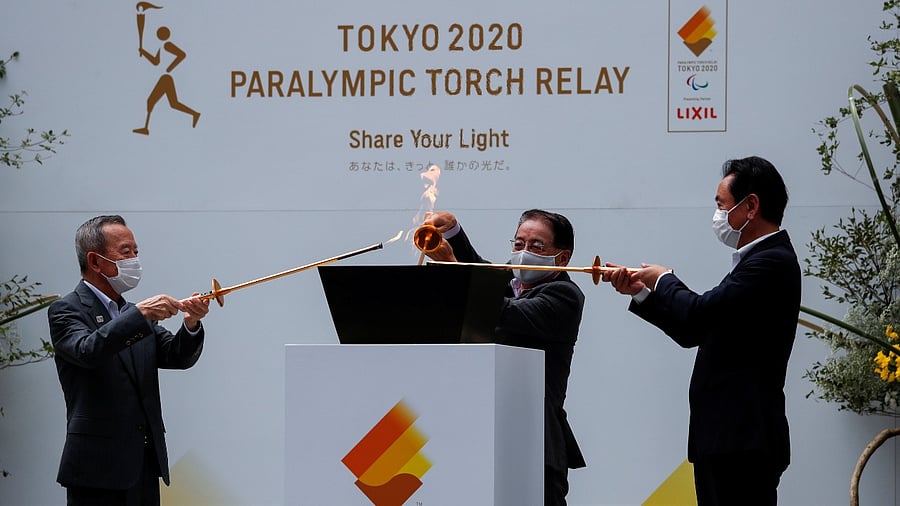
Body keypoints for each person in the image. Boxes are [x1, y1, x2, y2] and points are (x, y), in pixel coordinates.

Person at [603, 156, 800, 505]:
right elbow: (693, 332)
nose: (718, 216)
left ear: (750, 206)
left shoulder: (771, 262)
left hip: (743, 439)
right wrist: (642, 292)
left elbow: (699, 313)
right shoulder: (756, 261)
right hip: (725, 439)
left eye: (722, 205)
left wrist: (663, 278)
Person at [424, 209, 586, 506]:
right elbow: (481, 270)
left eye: (537, 247)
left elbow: (503, 312)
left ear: (562, 258)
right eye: (518, 244)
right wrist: (452, 233)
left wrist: (450, 267)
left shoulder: (564, 294)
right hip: (484, 433)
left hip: (534, 442)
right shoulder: (510, 284)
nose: (524, 253)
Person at [47, 215, 210, 506]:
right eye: (126, 252)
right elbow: (87, 351)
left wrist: (191, 323)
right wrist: (141, 315)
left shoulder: (133, 313)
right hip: (96, 469)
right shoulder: (67, 310)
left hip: (144, 465)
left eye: (136, 251)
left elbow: (176, 355)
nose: (134, 259)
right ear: (95, 262)